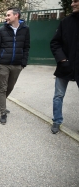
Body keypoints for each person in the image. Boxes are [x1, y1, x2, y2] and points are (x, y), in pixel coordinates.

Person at [0, 7, 30, 125]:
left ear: (16, 15)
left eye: (8, 15)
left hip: (17, 64)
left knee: (10, 87)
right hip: (4, 64)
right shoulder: (1, 30)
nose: (6, 17)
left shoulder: (25, 30)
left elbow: (26, 47)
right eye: (6, 15)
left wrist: (23, 62)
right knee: (3, 88)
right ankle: (3, 112)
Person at [50, 0, 79, 134]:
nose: (72, 4)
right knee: (58, 95)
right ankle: (57, 120)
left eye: (76, 1)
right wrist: (62, 59)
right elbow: (55, 43)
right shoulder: (65, 22)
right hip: (65, 65)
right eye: (72, 1)